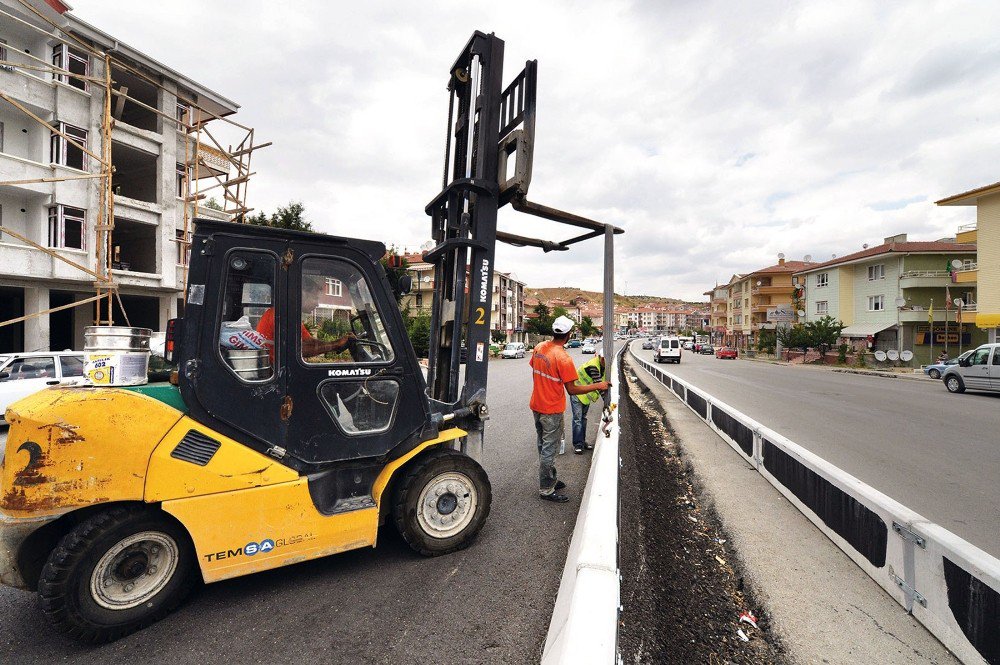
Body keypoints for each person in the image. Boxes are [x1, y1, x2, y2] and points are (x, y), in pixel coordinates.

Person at [530, 315, 611, 503]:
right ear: (568, 335)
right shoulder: (563, 358)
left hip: (537, 404)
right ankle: (546, 489)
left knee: (543, 445)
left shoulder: (539, 348)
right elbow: (572, 389)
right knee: (550, 448)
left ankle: (550, 478)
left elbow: (537, 370)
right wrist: (598, 386)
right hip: (551, 409)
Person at [256, 276, 355, 361]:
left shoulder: (290, 314)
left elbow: (309, 341)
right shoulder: (282, 315)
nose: (317, 303)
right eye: (315, 298)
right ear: (302, 294)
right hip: (275, 371)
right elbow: (299, 350)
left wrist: (337, 342)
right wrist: (335, 344)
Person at [570, 347, 607, 454]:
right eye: (604, 359)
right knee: (577, 419)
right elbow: (599, 385)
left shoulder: (603, 366)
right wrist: (607, 403)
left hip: (585, 395)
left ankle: (582, 441)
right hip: (577, 393)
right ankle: (578, 444)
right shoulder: (593, 366)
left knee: (583, 419)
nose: (605, 361)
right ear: (600, 358)